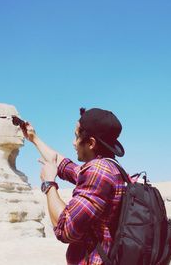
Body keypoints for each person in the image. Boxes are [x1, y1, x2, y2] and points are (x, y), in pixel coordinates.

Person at [22, 107, 129, 265]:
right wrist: (34, 138)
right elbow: (65, 166)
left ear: (91, 143)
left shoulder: (98, 172)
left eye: (76, 136)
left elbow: (66, 229)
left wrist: (49, 183)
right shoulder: (109, 167)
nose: (73, 143)